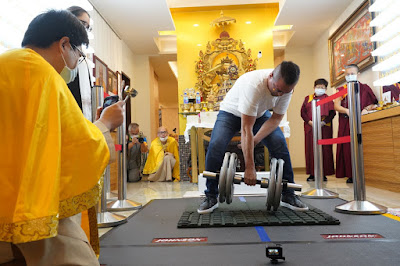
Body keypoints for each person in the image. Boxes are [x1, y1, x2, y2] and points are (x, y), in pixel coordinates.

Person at [0, 10, 124, 265]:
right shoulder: (44, 74)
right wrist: (105, 123)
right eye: (78, 55)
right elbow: (78, 143)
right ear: (64, 44)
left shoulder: (6, 64)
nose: (74, 64)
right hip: (34, 201)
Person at [198, 61, 308, 214]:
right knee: (216, 144)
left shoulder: (285, 89)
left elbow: (275, 119)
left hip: (260, 114)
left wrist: (255, 140)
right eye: (277, 90)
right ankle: (210, 195)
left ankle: (288, 195)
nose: (280, 94)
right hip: (230, 113)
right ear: (270, 76)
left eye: (285, 92)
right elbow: (246, 128)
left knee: (279, 143)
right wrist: (250, 168)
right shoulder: (254, 85)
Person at [334, 64, 378, 183]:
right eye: (347, 74)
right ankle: (351, 175)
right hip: (346, 121)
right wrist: (346, 110)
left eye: (352, 74)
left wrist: (366, 109)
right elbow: (336, 105)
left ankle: (364, 173)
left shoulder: (365, 88)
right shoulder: (341, 90)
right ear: (345, 75)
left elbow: (373, 103)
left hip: (362, 121)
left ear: (358, 75)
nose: (350, 76)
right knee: (348, 149)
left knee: (362, 146)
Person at [300, 79, 336, 182]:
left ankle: (323, 173)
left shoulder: (328, 99)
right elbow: (302, 112)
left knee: (325, 150)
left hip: (324, 128)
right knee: (310, 150)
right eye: (318, 87)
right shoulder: (308, 98)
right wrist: (309, 122)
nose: (320, 89)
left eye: (322, 87)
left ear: (326, 88)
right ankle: (312, 173)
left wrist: (324, 122)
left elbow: (332, 113)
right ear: (314, 87)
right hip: (310, 127)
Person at [66, 6, 93, 121]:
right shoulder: (59, 54)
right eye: (82, 24)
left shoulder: (84, 60)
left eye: (87, 27)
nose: (84, 30)